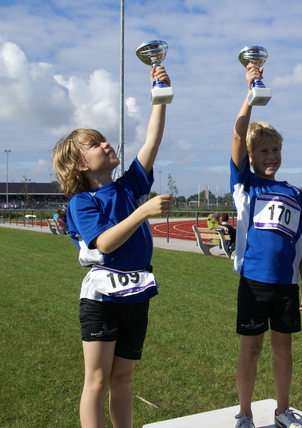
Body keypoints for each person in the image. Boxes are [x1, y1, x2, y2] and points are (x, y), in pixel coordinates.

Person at [51, 66, 174, 428]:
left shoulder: (126, 185)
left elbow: (151, 143)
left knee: (123, 381)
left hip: (136, 295)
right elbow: (104, 242)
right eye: (95, 144)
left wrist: (159, 96)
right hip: (101, 301)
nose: (107, 144)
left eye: (104, 138)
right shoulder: (82, 202)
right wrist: (144, 211)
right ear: (79, 164)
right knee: (98, 381)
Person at [230, 63, 302, 428]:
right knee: (251, 350)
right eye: (263, 150)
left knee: (284, 348)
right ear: (251, 156)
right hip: (253, 281)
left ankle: (282, 410)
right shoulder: (246, 184)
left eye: (275, 149)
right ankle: (245, 413)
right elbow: (237, 137)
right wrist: (250, 93)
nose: (271, 156)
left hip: (285, 285)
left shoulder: (294, 193)